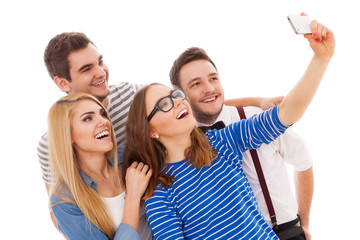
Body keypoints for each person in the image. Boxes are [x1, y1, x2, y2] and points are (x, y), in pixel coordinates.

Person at [37, 32, 276, 235]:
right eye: (87, 69)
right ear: (63, 83)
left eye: (100, 62)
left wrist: (257, 100)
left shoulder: (131, 96)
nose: (100, 72)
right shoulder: (51, 144)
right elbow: (60, 210)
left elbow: (184, 108)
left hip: (163, 213)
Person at [122, 18, 334, 240]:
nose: (177, 102)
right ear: (150, 131)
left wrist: (321, 58)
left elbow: (285, 114)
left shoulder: (221, 141)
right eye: (163, 104)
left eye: (175, 95)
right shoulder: (159, 190)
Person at [168, 45, 313, 239]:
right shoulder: (181, 142)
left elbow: (303, 161)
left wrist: (303, 223)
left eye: (213, 78)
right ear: (179, 95)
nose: (210, 88)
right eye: (196, 84)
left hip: (283, 231)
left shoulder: (255, 117)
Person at [48, 93, 152, 239]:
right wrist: (133, 197)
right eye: (88, 118)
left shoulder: (132, 157)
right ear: (68, 135)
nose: (104, 122)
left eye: (102, 114)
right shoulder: (64, 200)